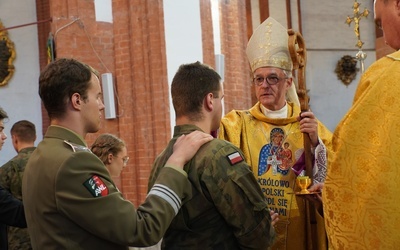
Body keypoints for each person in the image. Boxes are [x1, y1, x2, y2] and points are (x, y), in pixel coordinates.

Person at [21, 58, 213, 250]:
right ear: (77, 100)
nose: (102, 105)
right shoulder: (74, 162)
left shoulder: (41, 155)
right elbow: (141, 229)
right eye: (97, 96)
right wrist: (175, 162)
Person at [218, 17, 333, 250]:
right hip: (257, 228)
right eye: (258, 79)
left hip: (300, 226)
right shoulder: (237, 124)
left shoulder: (307, 124)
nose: (264, 85)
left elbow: (336, 170)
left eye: (272, 78)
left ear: (288, 81)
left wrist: (315, 143)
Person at [148, 61, 278, 249]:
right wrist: (263, 226)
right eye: (221, 98)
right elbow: (258, 237)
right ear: (210, 100)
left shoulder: (161, 160)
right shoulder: (220, 155)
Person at [322, 0, 400, 248]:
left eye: (379, 23)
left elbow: (356, 163)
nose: (385, 39)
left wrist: (328, 190)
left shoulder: (385, 76)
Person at [0, 120, 36, 250]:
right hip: (46, 235)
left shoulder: (7, 169)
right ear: (35, 137)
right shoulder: (51, 163)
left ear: (15, 139)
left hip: (18, 239)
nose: (3, 136)